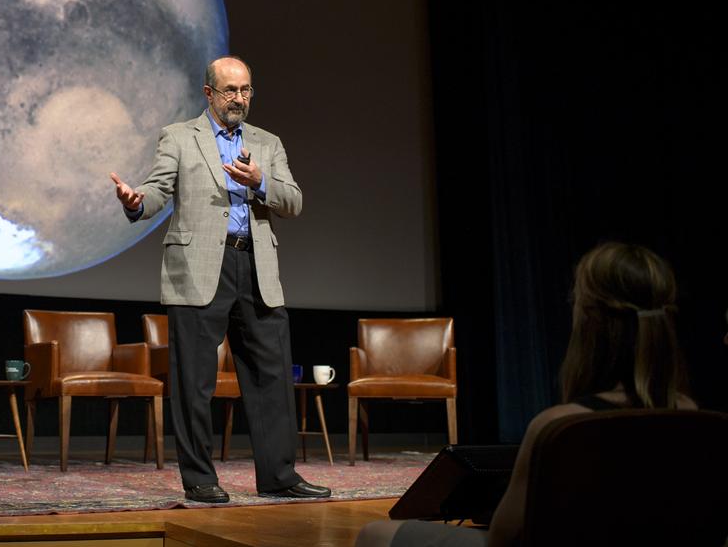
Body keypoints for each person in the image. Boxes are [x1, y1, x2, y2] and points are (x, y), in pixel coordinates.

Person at [355, 242, 696, 547]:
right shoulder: (693, 415)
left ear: (589, 321)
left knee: (374, 534)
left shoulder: (560, 426)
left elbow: (503, 536)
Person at [109, 55, 330, 503]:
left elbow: (293, 201)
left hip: (256, 266)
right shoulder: (179, 136)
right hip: (198, 266)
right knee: (194, 381)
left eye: (246, 90)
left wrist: (260, 181)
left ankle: (279, 476)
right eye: (230, 90)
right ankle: (200, 479)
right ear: (209, 93)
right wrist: (136, 201)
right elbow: (158, 189)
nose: (239, 98)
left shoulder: (267, 143)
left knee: (271, 377)